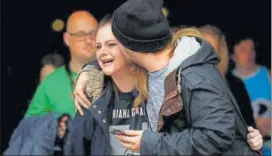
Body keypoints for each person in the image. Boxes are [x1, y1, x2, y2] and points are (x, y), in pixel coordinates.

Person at [73, 1, 263, 155]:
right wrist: (89, 71)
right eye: (100, 46)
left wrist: (150, 143)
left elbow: (217, 135)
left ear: (129, 47)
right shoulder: (151, 68)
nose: (104, 51)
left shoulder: (192, 74)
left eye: (114, 43)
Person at [24, 11, 98, 118]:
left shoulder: (117, 75)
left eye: (93, 33)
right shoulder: (51, 83)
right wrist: (55, 127)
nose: (88, 40)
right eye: (81, 34)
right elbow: (29, 129)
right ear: (67, 39)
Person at [199, 25, 256, 127]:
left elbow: (249, 127)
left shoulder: (235, 85)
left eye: (212, 50)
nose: (205, 56)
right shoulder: (181, 84)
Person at [232, 36, 271, 154]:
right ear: (232, 55)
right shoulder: (228, 82)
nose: (249, 54)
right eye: (243, 50)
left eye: (252, 49)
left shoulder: (268, 75)